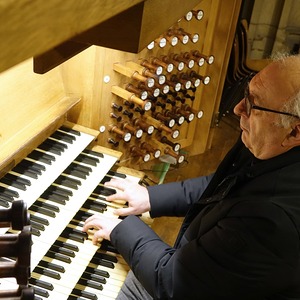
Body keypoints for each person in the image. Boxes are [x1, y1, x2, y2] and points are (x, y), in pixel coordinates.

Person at [83, 53, 300, 300]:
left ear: (295, 131)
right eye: (246, 93)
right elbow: (222, 185)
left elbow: (173, 283)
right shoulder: (273, 142)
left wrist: (120, 228)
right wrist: (150, 197)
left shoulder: (272, 222)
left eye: (254, 103)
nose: (237, 108)